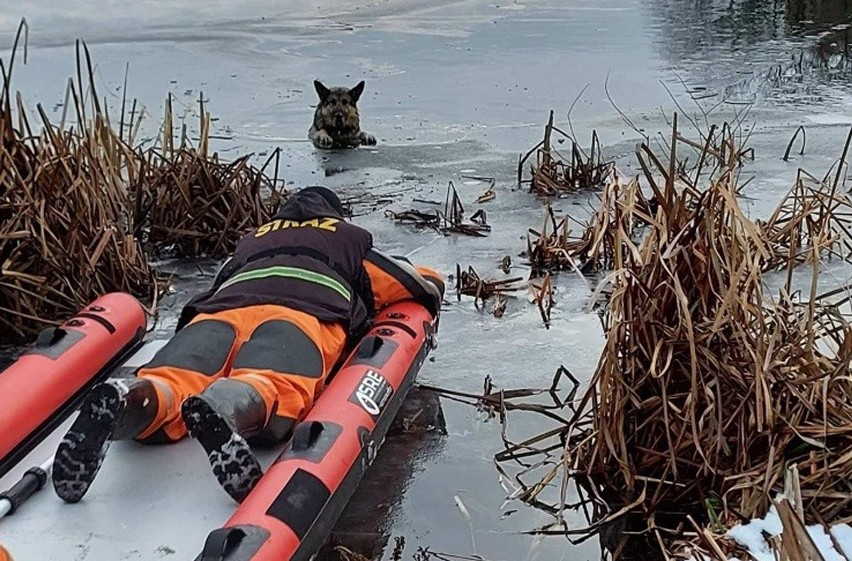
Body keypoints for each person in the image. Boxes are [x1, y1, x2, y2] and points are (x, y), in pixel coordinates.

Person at [52, 186, 444, 504]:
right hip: (299, 316)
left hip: (219, 314)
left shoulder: (250, 243)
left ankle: (131, 397)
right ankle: (225, 408)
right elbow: (413, 283)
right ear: (335, 214)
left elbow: (217, 284)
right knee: (273, 384)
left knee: (172, 380)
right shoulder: (349, 240)